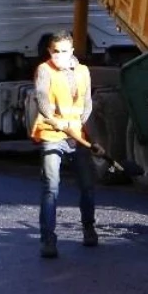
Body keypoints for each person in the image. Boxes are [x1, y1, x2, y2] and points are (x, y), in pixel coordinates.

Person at [31, 30, 101, 259]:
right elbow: (41, 97)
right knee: (51, 187)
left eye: (63, 51)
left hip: (77, 135)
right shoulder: (44, 70)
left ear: (72, 51)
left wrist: (83, 130)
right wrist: (55, 120)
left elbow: (87, 102)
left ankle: (89, 229)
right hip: (53, 135)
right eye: (55, 51)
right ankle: (48, 240)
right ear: (49, 51)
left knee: (87, 186)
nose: (58, 55)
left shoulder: (83, 72)